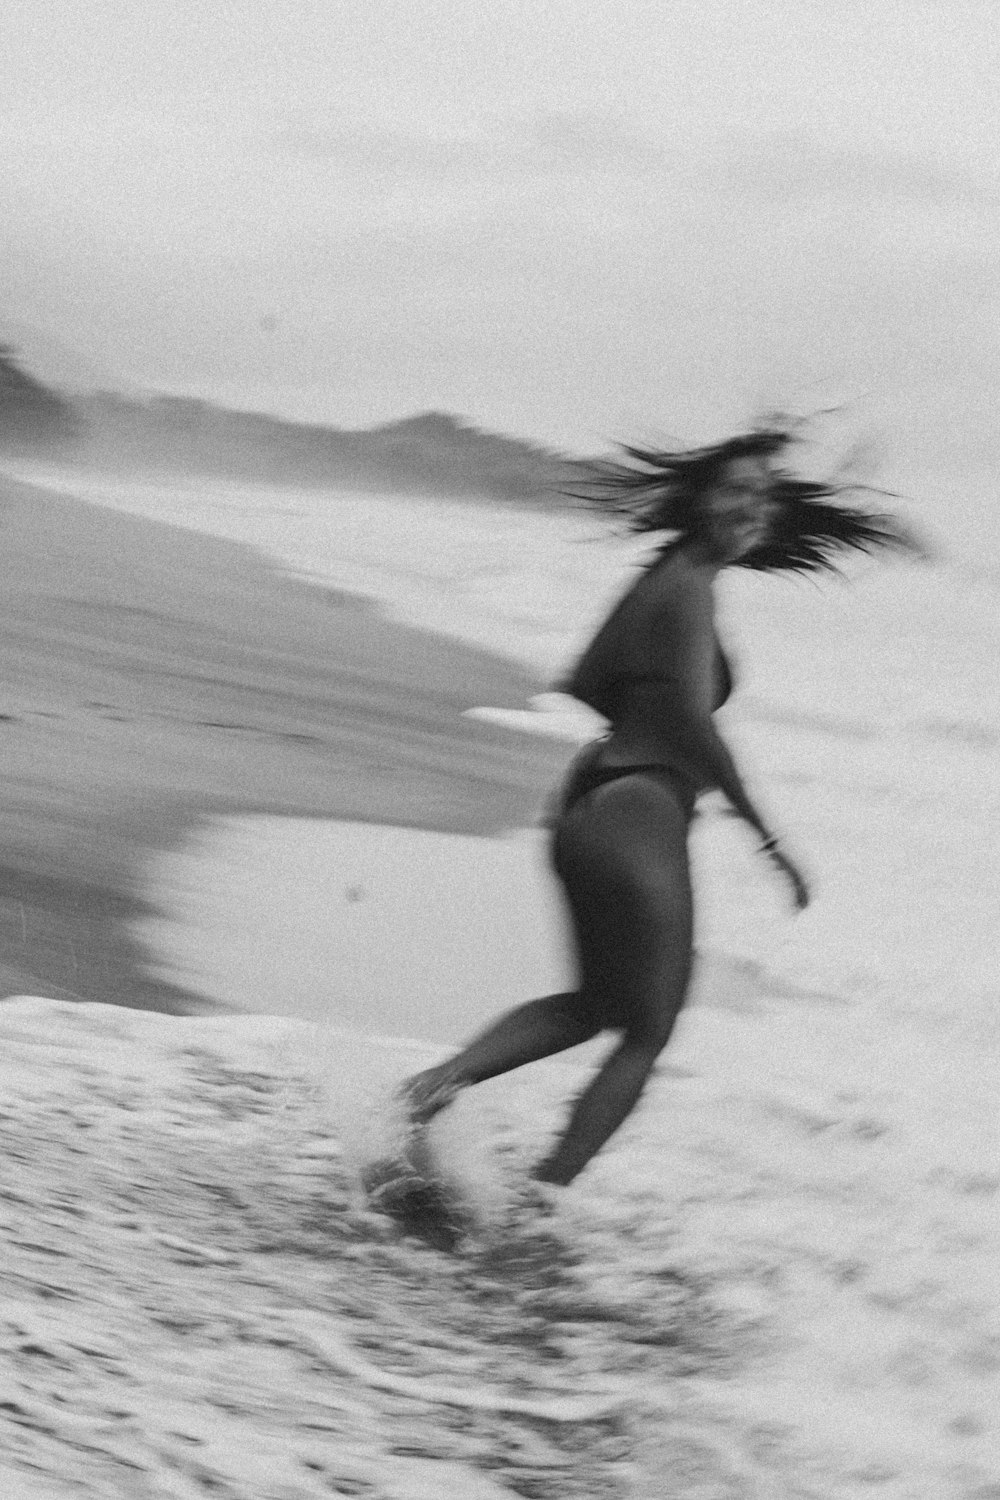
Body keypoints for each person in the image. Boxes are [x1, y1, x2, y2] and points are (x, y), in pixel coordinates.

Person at [396, 421, 920, 1193]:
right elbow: (694, 729)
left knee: (595, 1005)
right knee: (648, 1029)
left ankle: (427, 1092)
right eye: (737, 490)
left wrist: (646, 723)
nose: (753, 506)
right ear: (699, 496)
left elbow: (589, 681)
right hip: (640, 808)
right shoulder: (685, 589)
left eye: (764, 496)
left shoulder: (664, 579)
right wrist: (766, 837)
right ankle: (543, 1199)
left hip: (591, 801)